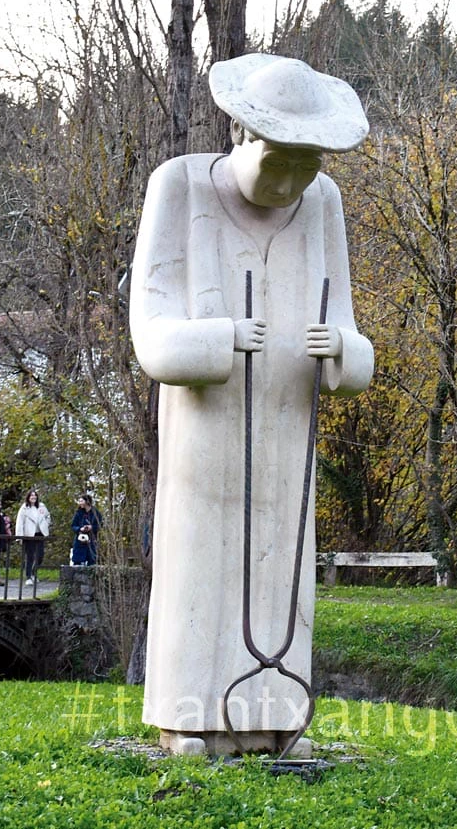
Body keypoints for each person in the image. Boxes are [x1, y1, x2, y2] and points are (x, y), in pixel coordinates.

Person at [130, 54, 373, 756]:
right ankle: (191, 716)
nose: (293, 181)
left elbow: (350, 329)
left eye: (308, 164)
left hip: (288, 429)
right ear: (239, 133)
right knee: (201, 568)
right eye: (278, 162)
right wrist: (221, 339)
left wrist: (344, 353)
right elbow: (151, 331)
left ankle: (276, 715)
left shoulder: (322, 204)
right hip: (207, 436)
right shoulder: (179, 187)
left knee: (281, 566)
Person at [15, 489, 51, 585]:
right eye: (31, 495)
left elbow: (48, 516)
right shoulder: (24, 508)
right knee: (29, 556)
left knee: (40, 555)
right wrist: (20, 536)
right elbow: (19, 522)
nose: (33, 497)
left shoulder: (42, 506)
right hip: (29, 535)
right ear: (28, 497)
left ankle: (34, 573)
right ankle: (28, 576)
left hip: (40, 534)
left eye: (35, 495)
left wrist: (46, 524)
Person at [69, 494, 101, 566]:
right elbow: (73, 525)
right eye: (79, 501)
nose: (80, 503)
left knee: (92, 559)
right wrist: (80, 529)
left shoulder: (96, 513)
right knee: (77, 560)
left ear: (87, 501)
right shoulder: (78, 513)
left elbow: (100, 525)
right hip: (80, 539)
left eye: (81, 501)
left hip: (92, 539)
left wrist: (92, 527)